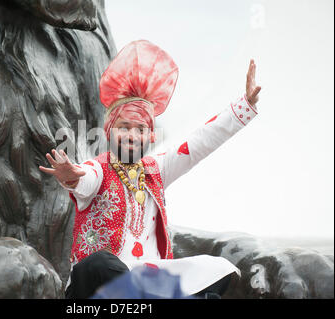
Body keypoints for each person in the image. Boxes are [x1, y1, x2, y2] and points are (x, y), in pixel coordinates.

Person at [39, 40, 261, 299]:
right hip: (98, 286)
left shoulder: (158, 169)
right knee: (100, 263)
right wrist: (72, 178)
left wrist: (244, 106)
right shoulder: (97, 169)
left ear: (150, 136)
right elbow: (85, 178)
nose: (132, 135)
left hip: (148, 280)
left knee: (218, 268)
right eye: (124, 127)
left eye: (140, 129)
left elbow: (201, 141)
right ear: (109, 131)